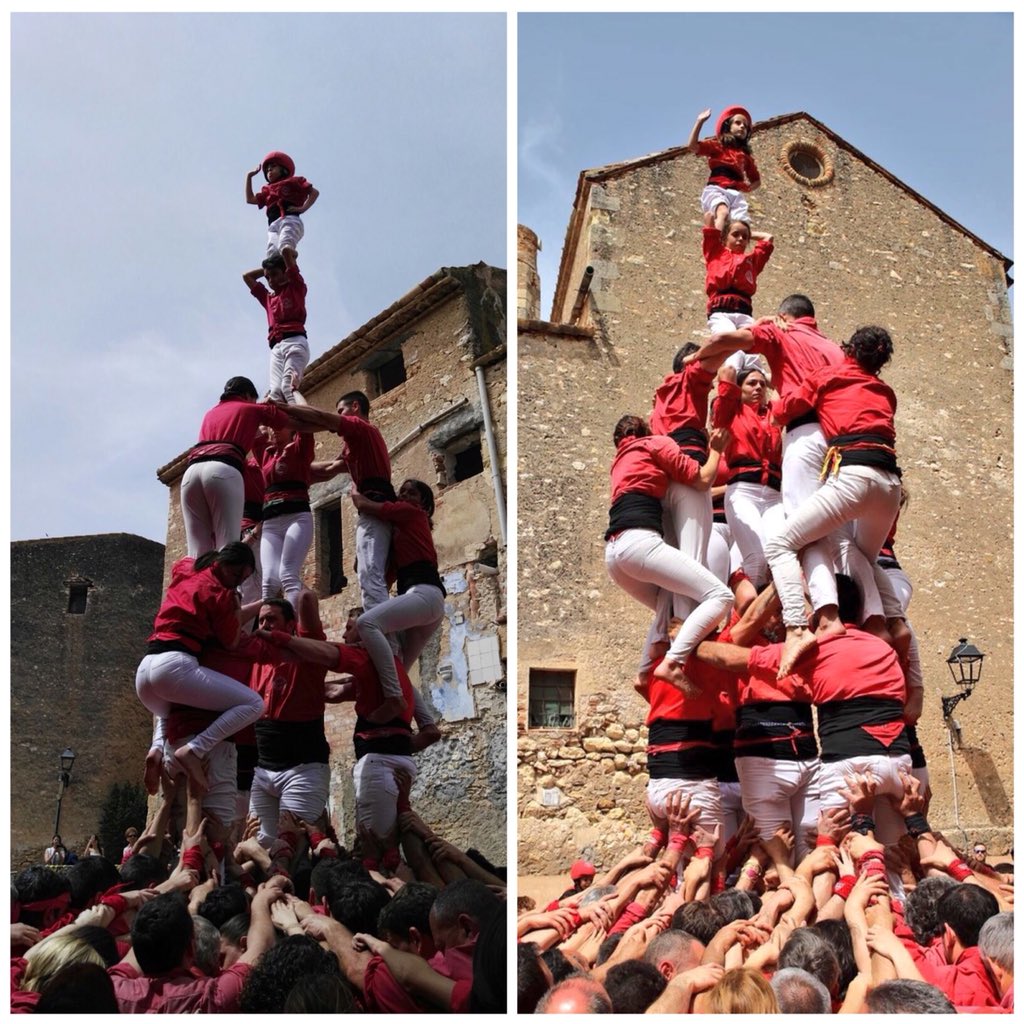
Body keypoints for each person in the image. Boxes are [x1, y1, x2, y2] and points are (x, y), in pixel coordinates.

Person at [765, 325, 906, 675]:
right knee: (861, 557)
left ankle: (797, 627)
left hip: (854, 478)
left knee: (781, 543)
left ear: (849, 349)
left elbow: (786, 410)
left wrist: (771, 398)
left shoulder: (829, 376)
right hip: (890, 487)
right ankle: (890, 624)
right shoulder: (886, 392)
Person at [603, 414, 732, 693]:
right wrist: (717, 450)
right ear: (646, 430)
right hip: (638, 544)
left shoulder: (618, 462)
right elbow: (702, 479)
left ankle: (643, 673)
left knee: (668, 595)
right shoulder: (654, 443)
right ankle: (673, 661)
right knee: (721, 596)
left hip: (614, 555)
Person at [135, 542, 265, 793]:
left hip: (145, 671)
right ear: (226, 564)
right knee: (254, 704)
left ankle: (156, 749)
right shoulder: (222, 595)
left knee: (170, 709)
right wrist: (245, 607)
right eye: (236, 574)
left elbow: (180, 565)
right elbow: (230, 641)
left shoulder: (190, 567)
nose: (236, 582)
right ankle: (195, 750)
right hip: (175, 664)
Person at [280, 390, 396, 610]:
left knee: (369, 575)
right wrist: (288, 468)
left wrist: (284, 405)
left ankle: (379, 631)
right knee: (369, 573)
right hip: (374, 507)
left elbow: (322, 419)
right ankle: (380, 628)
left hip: (374, 504)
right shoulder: (355, 445)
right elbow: (328, 470)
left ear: (355, 407)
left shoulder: (360, 427)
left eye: (341, 411)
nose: (339, 416)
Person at [350, 479, 446, 701]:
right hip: (426, 603)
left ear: (422, 503)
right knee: (397, 669)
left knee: (367, 623)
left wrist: (355, 488)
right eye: (401, 492)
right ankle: (426, 722)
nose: (404, 496)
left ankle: (394, 698)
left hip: (424, 594)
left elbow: (364, 505)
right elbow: (378, 575)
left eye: (411, 493)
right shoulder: (401, 536)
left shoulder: (413, 512)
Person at [180, 376, 292, 557]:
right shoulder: (252, 408)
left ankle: (196, 584)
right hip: (223, 469)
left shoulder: (210, 413)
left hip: (190, 474)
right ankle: (225, 585)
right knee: (228, 548)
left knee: (197, 553)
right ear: (248, 396)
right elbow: (287, 420)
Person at [251, 425, 343, 610]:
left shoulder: (300, 449)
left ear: (292, 428)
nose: (275, 429)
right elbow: (254, 428)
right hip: (270, 522)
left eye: (281, 425)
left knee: (288, 574)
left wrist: (291, 395)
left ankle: (288, 625)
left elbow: (305, 419)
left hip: (296, 517)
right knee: (268, 580)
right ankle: (269, 624)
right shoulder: (266, 453)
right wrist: (266, 415)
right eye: (272, 426)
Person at [713, 363, 782, 590]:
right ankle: (743, 618)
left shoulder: (773, 413)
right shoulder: (732, 412)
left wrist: (770, 380)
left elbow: (788, 392)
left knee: (779, 558)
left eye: (763, 384)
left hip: (774, 496)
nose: (759, 387)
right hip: (744, 492)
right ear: (739, 389)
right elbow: (726, 380)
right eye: (751, 383)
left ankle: (762, 619)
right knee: (757, 558)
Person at [242, 247, 309, 404]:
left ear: (285, 272)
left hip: (294, 341)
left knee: (288, 387)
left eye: (275, 274)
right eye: (267, 277)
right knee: (275, 394)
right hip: (276, 347)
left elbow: (286, 251)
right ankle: (284, 427)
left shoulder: (295, 287)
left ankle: (303, 425)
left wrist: (289, 257)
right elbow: (247, 277)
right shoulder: (268, 298)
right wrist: (268, 268)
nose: (271, 280)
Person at [686, 105, 760, 230]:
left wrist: (747, 188)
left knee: (740, 226)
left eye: (745, 126)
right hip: (717, 189)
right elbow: (692, 146)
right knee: (723, 212)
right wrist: (700, 122)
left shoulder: (745, 156)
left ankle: (733, 248)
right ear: (728, 126)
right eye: (738, 123)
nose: (742, 126)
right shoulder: (718, 146)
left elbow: (756, 180)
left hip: (735, 194)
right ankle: (715, 241)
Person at [702, 214, 774, 333]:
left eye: (745, 237)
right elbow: (709, 217)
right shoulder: (715, 252)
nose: (740, 239)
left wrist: (747, 233)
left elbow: (768, 237)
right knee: (728, 338)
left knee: (752, 343)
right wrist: (722, 226)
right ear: (725, 237)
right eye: (735, 235)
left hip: (744, 313)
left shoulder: (752, 261)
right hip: (720, 311)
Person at [244, 150, 319, 259]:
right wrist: (249, 177)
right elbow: (250, 199)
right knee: (272, 253)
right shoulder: (267, 190)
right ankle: (280, 269)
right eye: (267, 170)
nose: (269, 171)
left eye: (273, 167)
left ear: (283, 169)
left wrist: (303, 208)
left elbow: (314, 192)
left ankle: (291, 258)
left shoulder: (293, 181)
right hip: (273, 224)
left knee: (285, 244)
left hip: (289, 219)